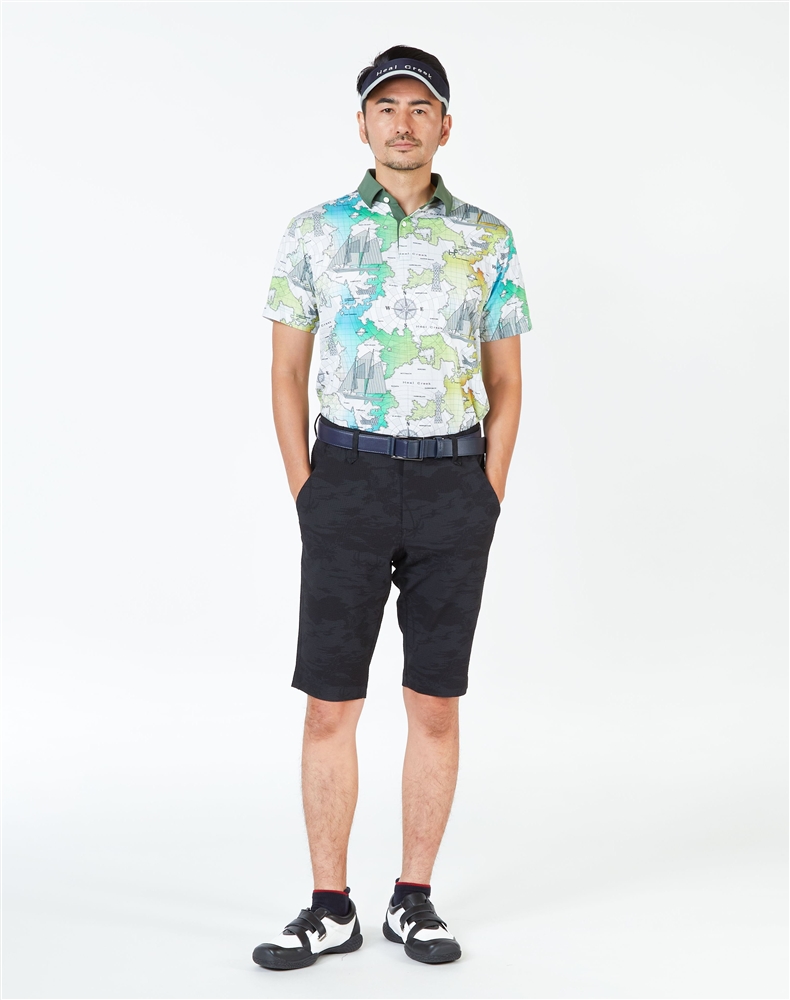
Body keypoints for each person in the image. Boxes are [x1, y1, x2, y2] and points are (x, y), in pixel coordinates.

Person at [252, 44, 532, 970]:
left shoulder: (487, 239)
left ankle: (414, 897)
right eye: (386, 107)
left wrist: (487, 491)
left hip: (454, 485)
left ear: (445, 126)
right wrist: (309, 489)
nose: (402, 123)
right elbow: (286, 372)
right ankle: (329, 905)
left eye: (420, 108)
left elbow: (507, 379)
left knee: (435, 703)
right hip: (348, 480)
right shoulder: (315, 232)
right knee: (329, 704)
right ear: (363, 124)